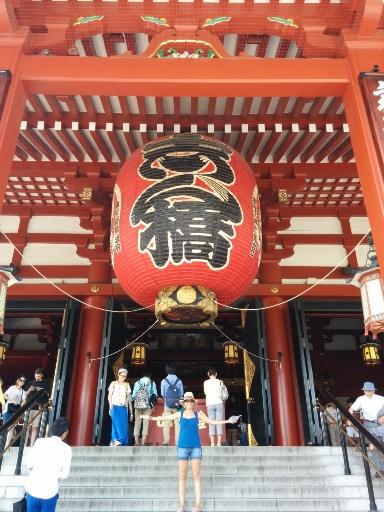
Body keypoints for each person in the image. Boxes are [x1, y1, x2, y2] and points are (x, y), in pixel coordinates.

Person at [141, 391, 238, 512]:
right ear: (184, 403)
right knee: (182, 477)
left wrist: (227, 421)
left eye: (190, 401)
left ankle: (198, 505)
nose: (188, 403)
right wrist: (149, 417)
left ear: (193, 402)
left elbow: (212, 422)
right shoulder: (179, 414)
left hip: (196, 448)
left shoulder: (198, 414)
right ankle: (181, 505)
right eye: (186, 401)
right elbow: (165, 417)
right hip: (182, 448)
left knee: (196, 477)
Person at [24, 417, 72, 512]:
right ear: (65, 432)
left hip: (33, 488)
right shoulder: (66, 449)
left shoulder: (40, 442)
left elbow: (29, 464)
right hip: (50, 491)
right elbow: (65, 474)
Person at [24, 368, 50, 446]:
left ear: (42, 375)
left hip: (39, 408)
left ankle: (32, 445)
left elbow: (48, 395)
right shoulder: (31, 382)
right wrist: (30, 390)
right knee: (26, 427)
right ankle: (24, 445)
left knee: (35, 427)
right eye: (36, 375)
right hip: (29, 407)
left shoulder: (45, 383)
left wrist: (40, 389)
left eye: (38, 376)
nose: (37, 377)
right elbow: (25, 394)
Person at [131, 368, 158, 446]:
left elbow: (133, 396)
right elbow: (155, 395)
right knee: (146, 423)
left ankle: (136, 442)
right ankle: (143, 442)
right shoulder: (152, 383)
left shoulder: (137, 383)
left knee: (137, 422)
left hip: (138, 406)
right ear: (150, 375)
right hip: (148, 406)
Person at [108, 368, 133, 446]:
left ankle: (122, 441)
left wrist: (131, 413)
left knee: (123, 424)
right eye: (122, 376)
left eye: (125, 376)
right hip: (114, 405)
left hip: (123, 407)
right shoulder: (113, 383)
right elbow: (109, 395)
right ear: (118, 375)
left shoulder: (127, 385)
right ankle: (114, 440)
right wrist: (110, 405)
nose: (123, 378)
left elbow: (129, 398)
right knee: (115, 423)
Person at [161, 364, 184, 446]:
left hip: (167, 405)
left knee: (166, 422)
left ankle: (165, 441)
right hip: (177, 405)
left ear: (167, 371)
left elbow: (163, 394)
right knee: (177, 423)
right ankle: (177, 442)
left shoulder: (164, 381)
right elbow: (181, 394)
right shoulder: (179, 381)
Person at [3, 375, 27, 448]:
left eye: (24, 381)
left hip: (16, 411)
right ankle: (4, 445)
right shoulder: (12, 388)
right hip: (8, 410)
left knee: (11, 428)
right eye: (21, 380)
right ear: (17, 380)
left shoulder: (23, 392)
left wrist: (22, 403)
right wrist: (12, 400)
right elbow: (4, 395)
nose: (22, 382)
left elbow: (24, 401)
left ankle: (6, 446)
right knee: (7, 428)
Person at [203, 368, 224, 446]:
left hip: (210, 403)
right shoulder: (220, 382)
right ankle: (219, 442)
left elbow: (205, 392)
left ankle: (212, 442)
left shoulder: (205, 382)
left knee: (211, 422)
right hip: (219, 402)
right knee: (219, 421)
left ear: (208, 374)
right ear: (216, 374)